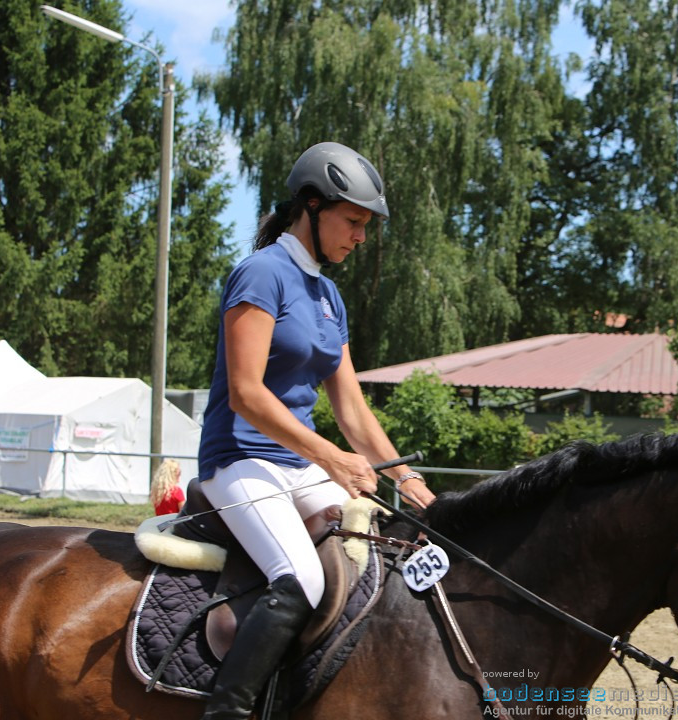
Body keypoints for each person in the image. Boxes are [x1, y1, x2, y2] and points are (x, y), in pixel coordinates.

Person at [195, 142, 435, 719]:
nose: (360, 236)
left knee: (380, 559)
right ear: (311, 205)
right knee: (300, 577)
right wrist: (333, 460)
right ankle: (226, 712)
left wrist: (408, 480)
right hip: (240, 461)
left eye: (365, 226)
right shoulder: (261, 274)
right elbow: (248, 395)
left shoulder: (328, 295)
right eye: (352, 221)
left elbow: (351, 410)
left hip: (298, 465)